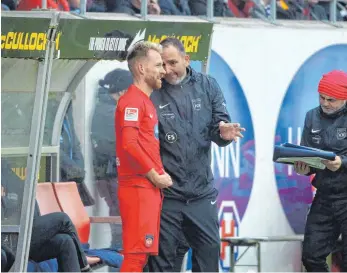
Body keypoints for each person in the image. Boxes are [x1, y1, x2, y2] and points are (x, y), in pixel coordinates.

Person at [147, 37, 245, 272]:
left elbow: (219, 126)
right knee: (163, 263)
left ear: (187, 59)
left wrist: (223, 132)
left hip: (201, 193)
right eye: (162, 64)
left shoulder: (208, 85)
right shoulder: (153, 92)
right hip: (167, 195)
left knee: (208, 258)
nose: (167, 70)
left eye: (172, 63)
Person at [115, 41, 173, 272]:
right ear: (141, 68)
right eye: (158, 65)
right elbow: (129, 145)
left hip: (146, 187)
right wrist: (154, 175)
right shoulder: (131, 101)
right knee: (135, 256)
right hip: (138, 187)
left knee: (140, 256)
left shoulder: (144, 101)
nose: (164, 71)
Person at [294, 70, 347, 272]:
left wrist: (342, 162)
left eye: (331, 100)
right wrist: (303, 169)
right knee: (311, 256)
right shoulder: (312, 116)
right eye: (322, 97)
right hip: (325, 196)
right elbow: (305, 152)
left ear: (344, 98)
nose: (325, 103)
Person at [1, 159, 94, 272]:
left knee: (65, 241)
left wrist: (9, 199)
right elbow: (7, 205)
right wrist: (7, 200)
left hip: (25, 229)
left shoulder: (5, 170)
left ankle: (83, 265)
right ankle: (84, 267)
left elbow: (23, 195)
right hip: (9, 237)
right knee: (62, 220)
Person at [91, 69, 133, 252]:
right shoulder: (112, 112)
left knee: (120, 217)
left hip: (110, 174)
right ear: (122, 91)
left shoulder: (108, 108)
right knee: (121, 220)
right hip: (113, 174)